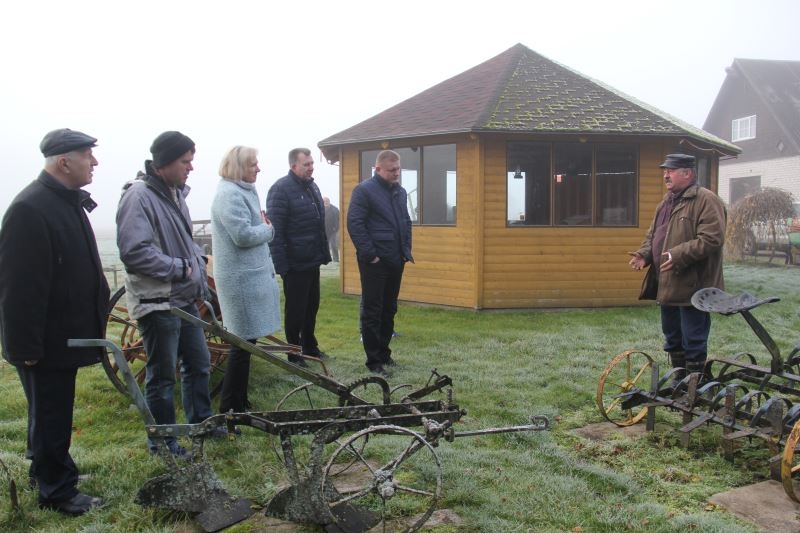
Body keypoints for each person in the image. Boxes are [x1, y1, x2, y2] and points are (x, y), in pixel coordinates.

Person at [0, 129, 109, 515]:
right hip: (44, 341)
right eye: (87, 155)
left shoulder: (64, 202)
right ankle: (58, 492)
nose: (94, 162)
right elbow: (19, 288)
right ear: (63, 162)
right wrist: (25, 347)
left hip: (63, 336)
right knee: (51, 414)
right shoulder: (31, 208)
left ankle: (46, 471)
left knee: (49, 411)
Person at [116, 131, 217, 457]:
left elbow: (181, 240)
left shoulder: (175, 194)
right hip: (158, 303)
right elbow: (135, 252)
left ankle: (201, 425)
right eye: (185, 161)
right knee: (161, 376)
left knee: (199, 364)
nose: (191, 168)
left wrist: (197, 263)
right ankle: (163, 443)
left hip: (183, 300)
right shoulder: (139, 197)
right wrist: (180, 268)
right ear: (164, 163)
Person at [628, 153, 726, 374]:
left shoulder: (706, 200)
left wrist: (677, 254)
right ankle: (680, 380)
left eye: (670, 171)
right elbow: (653, 235)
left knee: (693, 338)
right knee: (672, 337)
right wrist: (645, 254)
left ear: (687, 173)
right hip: (668, 283)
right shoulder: (666, 202)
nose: (666, 175)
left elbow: (712, 239)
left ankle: (695, 384)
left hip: (694, 285)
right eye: (665, 171)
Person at [211, 146, 281, 414]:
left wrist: (262, 228)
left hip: (248, 277)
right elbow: (242, 235)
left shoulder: (243, 191)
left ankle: (239, 401)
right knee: (241, 345)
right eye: (253, 164)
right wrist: (268, 229)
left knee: (246, 345)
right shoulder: (229, 195)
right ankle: (231, 407)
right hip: (239, 280)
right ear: (240, 167)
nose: (258, 169)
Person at [347, 150, 414, 376]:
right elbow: (355, 224)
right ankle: (374, 361)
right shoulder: (364, 191)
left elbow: (405, 221)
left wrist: (406, 251)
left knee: (389, 308)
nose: (396, 173)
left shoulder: (400, 192)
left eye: (398, 169)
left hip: (396, 258)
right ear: (378, 169)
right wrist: (370, 255)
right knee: (373, 310)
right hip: (375, 262)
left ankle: (385, 354)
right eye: (391, 170)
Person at [266, 148, 332, 367]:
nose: (311, 167)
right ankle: (294, 354)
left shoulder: (312, 186)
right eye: (307, 164)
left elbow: (317, 225)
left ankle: (310, 347)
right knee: (295, 310)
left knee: (311, 306)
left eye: (312, 163)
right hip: (294, 264)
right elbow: (276, 231)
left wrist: (322, 253)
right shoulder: (280, 190)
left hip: (312, 260)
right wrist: (282, 266)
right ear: (294, 165)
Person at [323, 196, 340, 262]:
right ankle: (326, 259)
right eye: (324, 201)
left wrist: (336, 228)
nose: (325, 202)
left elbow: (339, 219)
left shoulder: (335, 209)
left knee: (333, 245)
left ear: (329, 201)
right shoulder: (320, 208)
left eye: (327, 201)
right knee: (324, 245)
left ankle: (336, 259)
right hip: (324, 230)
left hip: (333, 230)